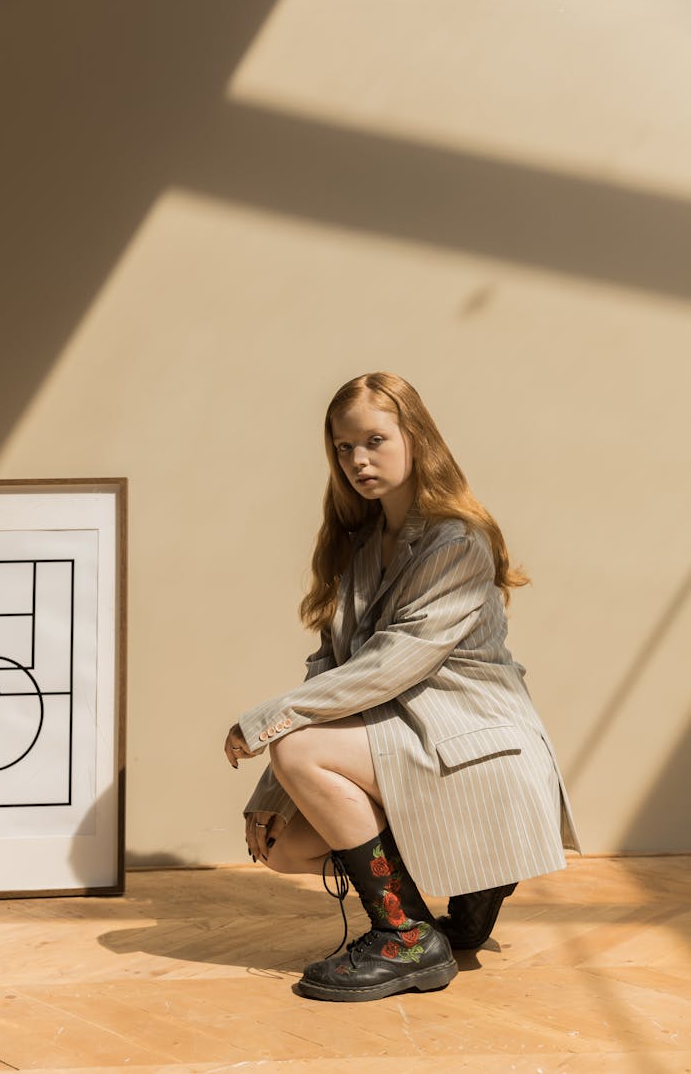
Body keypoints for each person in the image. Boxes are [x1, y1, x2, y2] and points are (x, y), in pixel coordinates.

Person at [224, 371, 579, 1003]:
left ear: (415, 438)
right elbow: (331, 669)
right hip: (404, 741)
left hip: (470, 744)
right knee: (281, 846)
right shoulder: (361, 549)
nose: (358, 459)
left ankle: (406, 934)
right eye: (342, 447)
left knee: (299, 748)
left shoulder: (458, 541)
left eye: (374, 441)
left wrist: (269, 723)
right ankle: (464, 881)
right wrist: (272, 790)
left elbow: (393, 664)